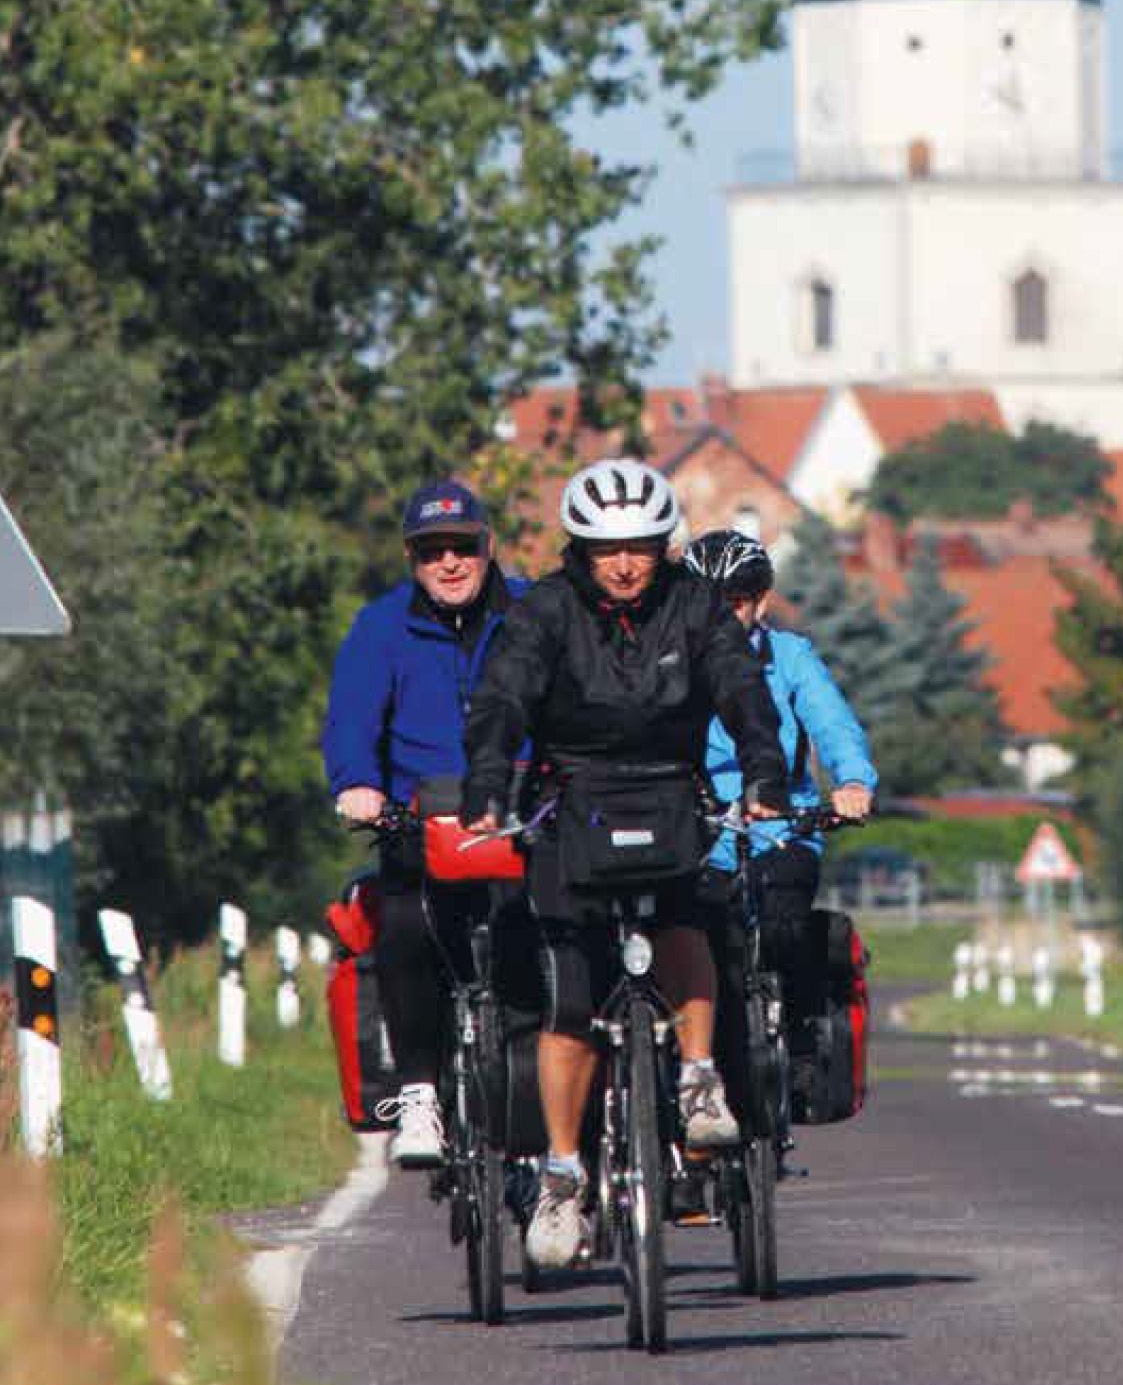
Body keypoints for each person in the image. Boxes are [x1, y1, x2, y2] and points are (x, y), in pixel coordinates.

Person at [461, 456, 789, 1274]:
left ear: (661, 544)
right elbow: (503, 697)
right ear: (580, 548)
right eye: (608, 549)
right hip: (572, 798)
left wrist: (764, 769)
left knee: (687, 919)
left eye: (640, 546)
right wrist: (488, 782)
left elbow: (742, 688)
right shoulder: (545, 610)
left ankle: (700, 1078)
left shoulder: (694, 606)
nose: (625, 563)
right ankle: (562, 1178)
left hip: (669, 790)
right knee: (569, 998)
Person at [321, 480, 529, 1167]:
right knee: (405, 925)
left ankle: (556, 1106)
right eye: (431, 551)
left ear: (487, 547)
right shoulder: (380, 627)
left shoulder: (532, 612)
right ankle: (419, 1093)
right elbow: (351, 719)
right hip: (419, 824)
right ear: (412, 558)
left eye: (461, 547)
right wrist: (357, 785)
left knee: (553, 935)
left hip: (520, 815)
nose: (449, 562)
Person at [683, 529, 876, 1088]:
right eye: (705, 602)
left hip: (781, 828)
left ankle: (799, 1037)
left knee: (783, 924)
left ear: (760, 602)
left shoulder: (790, 658)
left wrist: (853, 781)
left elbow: (834, 724)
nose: (719, 616)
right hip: (697, 830)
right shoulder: (670, 662)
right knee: (693, 937)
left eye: (733, 603)